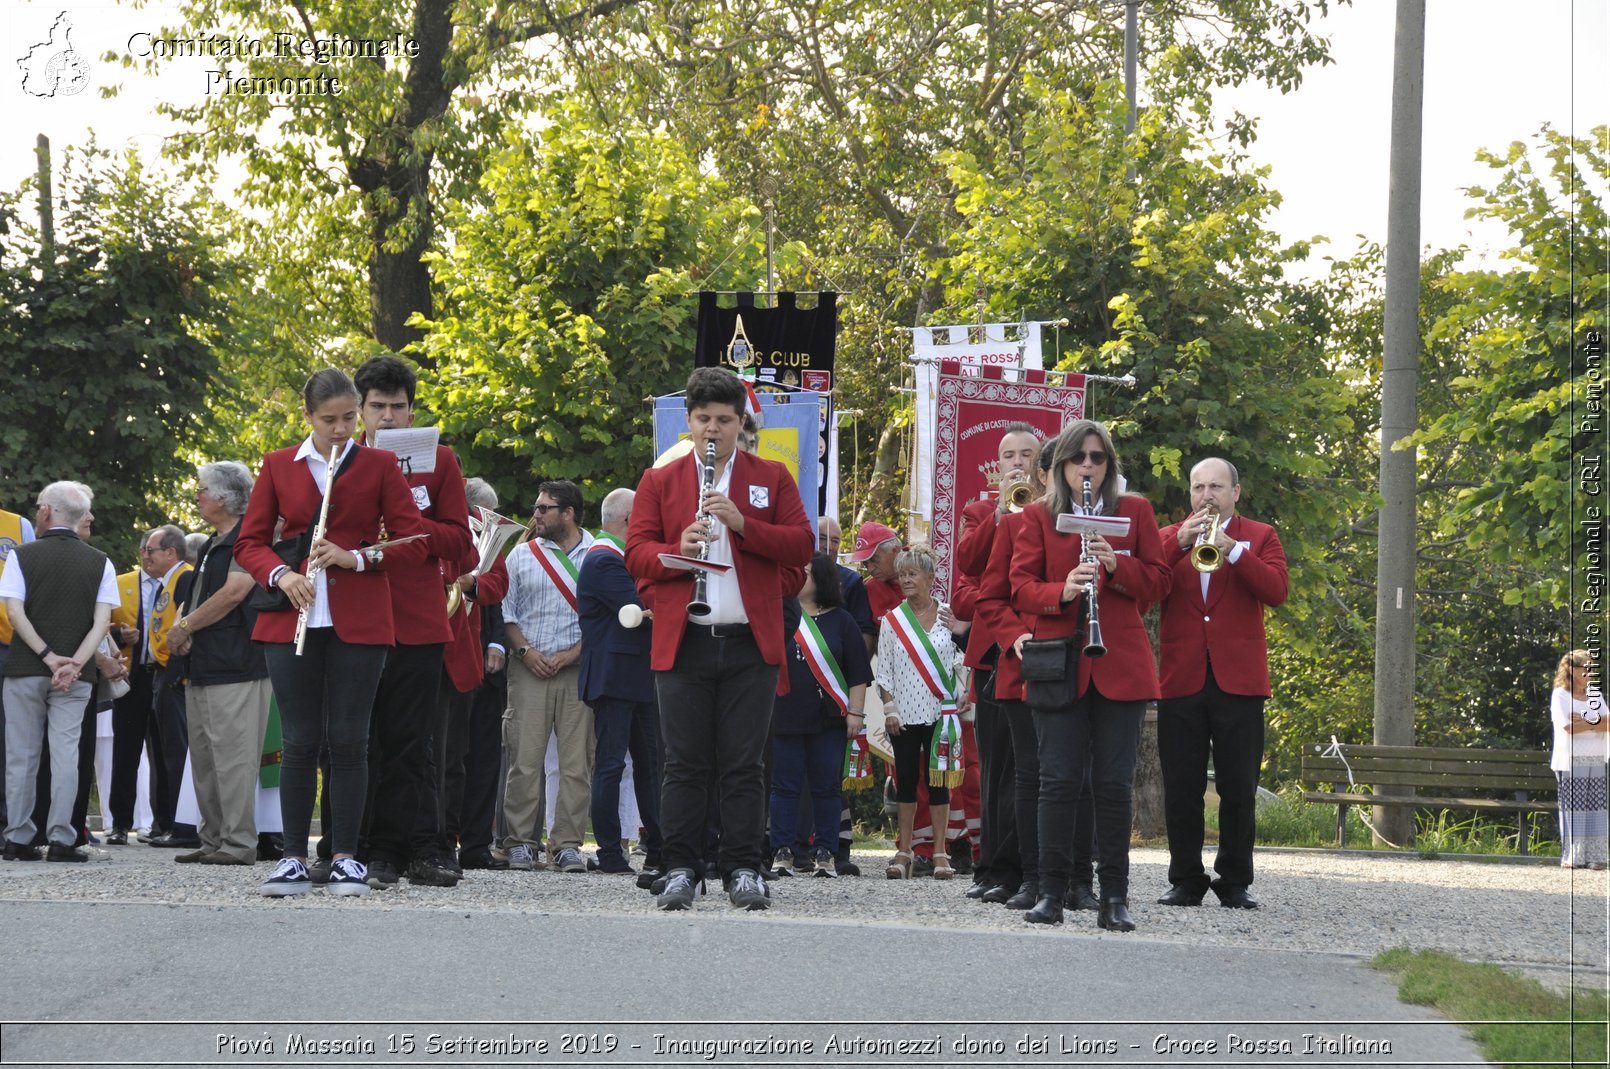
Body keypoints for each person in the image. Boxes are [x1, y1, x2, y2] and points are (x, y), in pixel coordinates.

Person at [626, 366, 814, 911]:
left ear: (741, 422)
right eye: (703, 419)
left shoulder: (771, 477)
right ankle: (681, 866)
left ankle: (743, 867)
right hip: (683, 639)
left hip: (749, 642)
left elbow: (802, 545)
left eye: (724, 421)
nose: (713, 430)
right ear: (688, 421)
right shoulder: (660, 480)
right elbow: (635, 552)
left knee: (744, 763)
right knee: (682, 762)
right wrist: (677, 544)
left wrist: (742, 524)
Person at [235, 368, 427, 897]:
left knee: (349, 739)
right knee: (299, 741)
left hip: (360, 617)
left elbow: (412, 540)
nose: (342, 429)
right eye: (329, 420)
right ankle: (293, 857)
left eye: (348, 418)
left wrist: (356, 557)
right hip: (290, 615)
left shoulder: (381, 465)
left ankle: (345, 857)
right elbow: (249, 543)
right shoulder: (277, 465)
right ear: (308, 418)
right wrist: (283, 574)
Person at [1008, 421, 1169, 929]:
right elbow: (1020, 587)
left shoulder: (1135, 511)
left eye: (1098, 458)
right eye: (1079, 458)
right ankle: (1051, 892)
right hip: (1060, 665)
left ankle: (1114, 898)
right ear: (1062, 467)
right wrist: (1064, 589)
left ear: (1109, 464)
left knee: (1113, 785)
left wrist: (1117, 569)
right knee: (1056, 782)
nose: (1088, 466)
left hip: (1119, 663)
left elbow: (1161, 582)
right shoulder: (1038, 516)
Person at [340, 354, 473, 891]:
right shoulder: (339, 460)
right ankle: (353, 842)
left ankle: (408, 848)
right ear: (360, 410)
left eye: (399, 407)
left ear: (413, 410)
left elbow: (460, 541)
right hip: (354, 617)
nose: (389, 418)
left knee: (413, 743)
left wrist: (403, 526)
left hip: (417, 619)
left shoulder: (440, 462)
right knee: (352, 741)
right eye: (378, 407)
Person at [1155, 458, 1289, 909]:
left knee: (1238, 786)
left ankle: (1234, 880)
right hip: (1181, 678)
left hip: (1239, 681)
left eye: (1215, 487)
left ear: (1236, 491)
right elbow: (1141, 588)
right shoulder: (1168, 538)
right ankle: (1186, 880)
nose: (1206, 496)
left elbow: (1276, 591)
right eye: (1198, 487)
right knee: (1182, 787)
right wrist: (1178, 542)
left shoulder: (1261, 536)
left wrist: (1233, 549)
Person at [1, 482, 117, 862]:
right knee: (66, 754)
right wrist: (74, 664)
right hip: (76, 676)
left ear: (48, 512)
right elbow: (101, 623)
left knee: (21, 755)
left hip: (23, 669)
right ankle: (63, 839)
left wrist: (47, 656)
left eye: (38, 507)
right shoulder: (101, 561)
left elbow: (14, 613)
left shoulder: (22, 556)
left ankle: (19, 836)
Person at [164, 462, 272, 866]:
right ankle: (212, 840)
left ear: (224, 498)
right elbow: (199, 598)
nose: (197, 496)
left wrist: (186, 626)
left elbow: (235, 592)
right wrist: (183, 630)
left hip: (238, 664)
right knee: (207, 760)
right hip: (205, 665)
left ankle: (239, 844)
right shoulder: (212, 543)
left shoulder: (251, 537)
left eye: (202, 490)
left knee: (235, 759)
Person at [955, 423, 1041, 902]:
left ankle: (1029, 864)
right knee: (996, 767)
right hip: (994, 650)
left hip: (1038, 642)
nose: (1017, 463)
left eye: (1026, 455)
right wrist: (997, 515)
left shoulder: (1050, 511)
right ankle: (991, 866)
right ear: (997, 463)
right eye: (1009, 455)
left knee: (1031, 767)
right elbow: (968, 563)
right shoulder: (978, 510)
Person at [502, 479, 593, 874]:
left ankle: (568, 843)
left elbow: (606, 618)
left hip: (578, 669)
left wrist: (573, 653)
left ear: (568, 513)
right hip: (529, 669)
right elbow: (505, 613)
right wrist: (525, 651)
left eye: (544, 508)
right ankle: (521, 842)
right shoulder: (520, 557)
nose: (535, 514)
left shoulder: (601, 554)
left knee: (577, 764)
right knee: (524, 760)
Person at [769, 553, 872, 876]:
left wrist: (856, 712)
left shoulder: (843, 621)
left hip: (829, 718)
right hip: (784, 714)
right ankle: (782, 849)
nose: (799, 577)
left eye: (807, 573)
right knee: (783, 785)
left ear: (823, 579)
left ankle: (826, 850)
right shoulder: (781, 614)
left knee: (826, 785)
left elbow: (858, 673)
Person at [577, 487, 662, 877]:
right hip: (615, 677)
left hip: (638, 675)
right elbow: (641, 607)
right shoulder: (603, 559)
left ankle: (660, 845)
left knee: (652, 765)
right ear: (629, 520)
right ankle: (609, 851)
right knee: (610, 766)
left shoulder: (615, 556)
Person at [875, 544, 966, 880]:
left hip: (941, 712)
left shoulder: (947, 615)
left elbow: (959, 659)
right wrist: (889, 708)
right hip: (905, 713)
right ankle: (905, 851)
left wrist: (965, 690)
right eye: (902, 574)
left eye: (913, 574)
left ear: (930, 577)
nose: (906, 580)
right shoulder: (892, 621)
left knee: (939, 782)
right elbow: (884, 671)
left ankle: (941, 852)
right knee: (907, 782)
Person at [142, 525, 198, 849]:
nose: (146, 556)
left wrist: (177, 674)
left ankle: (183, 826)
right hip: (161, 673)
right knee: (164, 753)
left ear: (171, 553)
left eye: (151, 550)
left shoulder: (185, 578)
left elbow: (184, 628)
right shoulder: (168, 581)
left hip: (174, 675)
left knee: (177, 753)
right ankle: (168, 821)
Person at [1551, 650, 1608, 870]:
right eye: (1585, 668)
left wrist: (1585, 719)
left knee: (1596, 808)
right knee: (1574, 808)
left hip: (1595, 758)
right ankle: (1573, 856)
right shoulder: (1560, 695)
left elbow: (1609, 722)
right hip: (1571, 759)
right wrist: (1596, 721)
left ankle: (1596, 856)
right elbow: (1568, 727)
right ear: (1572, 670)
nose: (1590, 672)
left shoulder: (1594, 694)